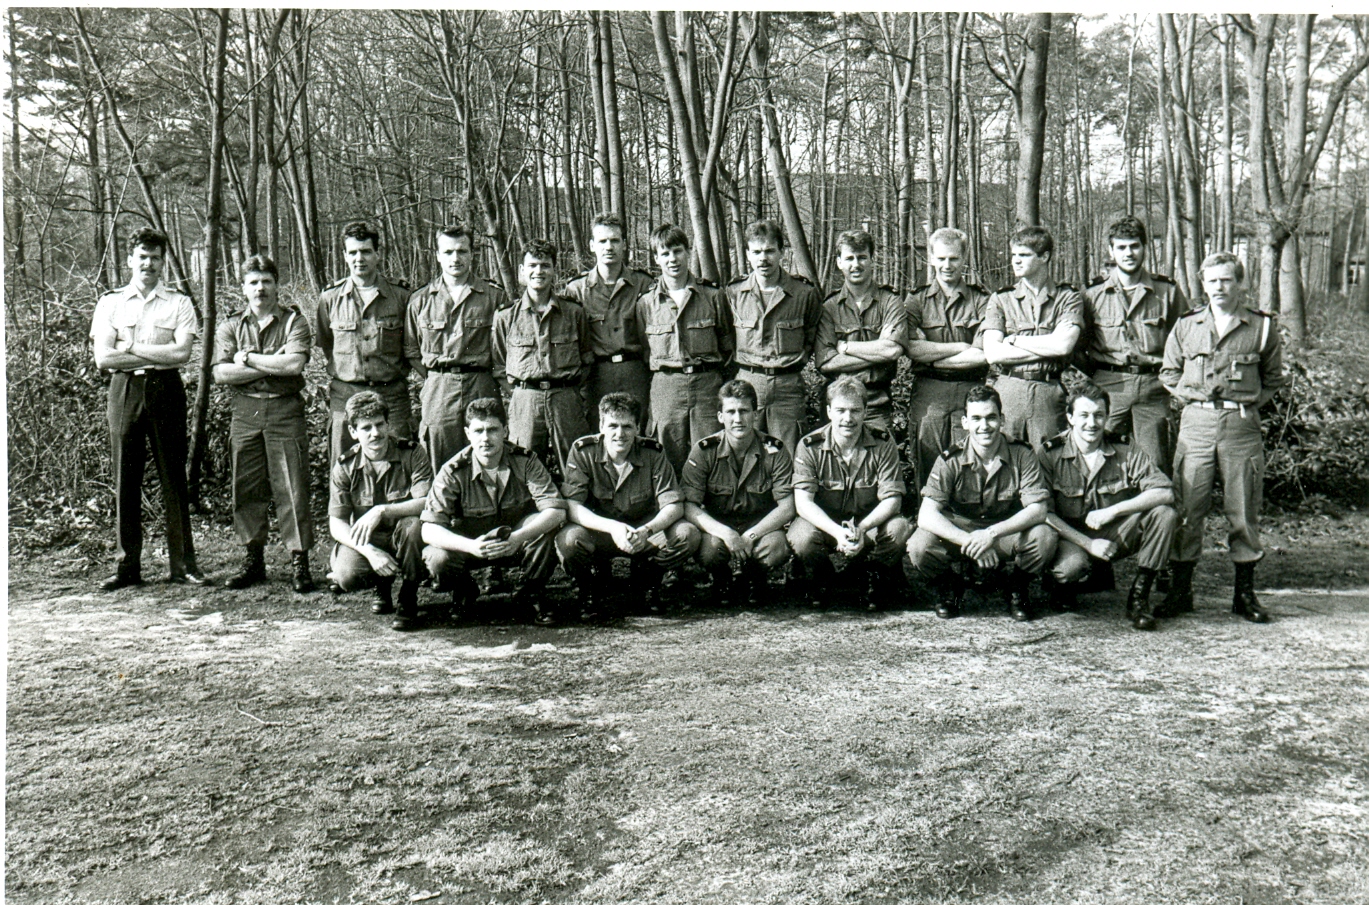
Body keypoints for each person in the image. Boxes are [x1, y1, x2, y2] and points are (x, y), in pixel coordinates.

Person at [1159, 252, 1285, 623]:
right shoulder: (1186, 325)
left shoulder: (1261, 327)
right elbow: (1169, 373)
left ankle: (1243, 595)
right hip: (1196, 425)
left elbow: (1273, 379)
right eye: (1212, 280)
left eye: (1227, 280)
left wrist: (1242, 405)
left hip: (1241, 427)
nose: (1219, 287)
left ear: (1240, 283)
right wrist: (1196, 404)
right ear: (1203, 283)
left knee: (1243, 510)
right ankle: (1182, 591)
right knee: (1187, 508)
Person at [90, 227, 210, 590]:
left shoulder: (179, 302)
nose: (148, 263)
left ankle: (183, 565)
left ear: (163, 262)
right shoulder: (110, 302)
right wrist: (146, 353)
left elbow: (182, 354)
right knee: (126, 477)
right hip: (124, 390)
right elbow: (102, 358)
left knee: (173, 476)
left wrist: (131, 347)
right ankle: (127, 567)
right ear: (130, 260)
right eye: (142, 257)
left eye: (155, 258)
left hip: (166, 391)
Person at [907, 384, 1057, 621]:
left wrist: (991, 535)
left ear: (1002, 420)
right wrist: (971, 540)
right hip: (962, 532)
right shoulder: (950, 459)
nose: (984, 426)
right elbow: (926, 515)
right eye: (976, 418)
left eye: (991, 418)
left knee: (1044, 537)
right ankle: (949, 587)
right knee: (919, 546)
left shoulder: (1022, 454)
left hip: (1003, 532)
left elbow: (1038, 510)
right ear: (965, 422)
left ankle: (1017, 588)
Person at [212, 255, 315, 593]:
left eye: (266, 281)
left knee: (292, 486)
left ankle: (299, 561)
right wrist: (273, 362)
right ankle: (253, 559)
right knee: (246, 486)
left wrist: (247, 358)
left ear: (276, 284)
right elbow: (221, 372)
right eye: (253, 282)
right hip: (246, 413)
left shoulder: (294, 322)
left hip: (284, 411)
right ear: (243, 288)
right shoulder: (230, 325)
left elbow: (294, 366)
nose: (260, 288)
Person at [1038, 383, 1178, 630]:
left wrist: (1114, 511)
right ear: (1069, 418)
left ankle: (1138, 597)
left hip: (1112, 531)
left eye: (1099, 415)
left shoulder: (1124, 448)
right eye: (1083, 415)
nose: (1091, 423)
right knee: (1070, 569)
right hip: (1069, 538)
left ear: (1106, 417)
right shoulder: (1050, 453)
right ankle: (1062, 586)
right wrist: (1088, 544)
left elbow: (1164, 491)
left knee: (1163, 514)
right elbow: (1043, 513)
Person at [420, 397, 567, 626]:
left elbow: (556, 510)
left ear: (505, 430)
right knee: (437, 557)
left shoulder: (525, 461)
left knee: (543, 525)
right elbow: (428, 529)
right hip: (471, 543)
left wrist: (519, 537)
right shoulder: (452, 470)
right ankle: (464, 591)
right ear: (468, 433)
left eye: (492, 430)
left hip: (514, 541)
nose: (485, 438)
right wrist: (471, 546)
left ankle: (530, 590)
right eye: (478, 431)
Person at [555, 393, 700, 618]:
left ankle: (648, 582)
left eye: (627, 426)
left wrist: (647, 530)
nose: (619, 434)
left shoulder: (653, 453)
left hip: (642, 530)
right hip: (601, 532)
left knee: (686, 534)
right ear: (601, 425)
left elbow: (673, 505)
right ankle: (589, 588)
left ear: (637, 428)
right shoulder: (583, 451)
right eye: (612, 425)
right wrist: (612, 527)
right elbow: (573, 505)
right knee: (569, 540)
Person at [788, 375, 912, 609]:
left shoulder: (883, 443)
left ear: (865, 411)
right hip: (826, 525)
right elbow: (803, 503)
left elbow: (893, 500)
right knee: (801, 536)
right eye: (840, 410)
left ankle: (871, 575)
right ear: (829, 411)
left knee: (899, 528)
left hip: (868, 524)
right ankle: (822, 577)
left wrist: (862, 529)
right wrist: (837, 532)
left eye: (855, 410)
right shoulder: (809, 446)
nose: (848, 418)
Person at [1082, 216, 1189, 473]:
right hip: (1108, 388)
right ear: (1111, 250)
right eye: (1121, 247)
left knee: (1156, 464)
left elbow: (1185, 342)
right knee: (1099, 458)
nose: (1128, 253)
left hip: (1153, 389)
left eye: (1134, 246)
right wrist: (1098, 376)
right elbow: (1078, 347)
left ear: (1144, 248)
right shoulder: (1092, 294)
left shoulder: (1168, 292)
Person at [681, 380, 794, 606]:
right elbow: (688, 505)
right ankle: (721, 579)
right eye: (730, 412)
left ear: (755, 413)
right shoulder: (704, 451)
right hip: (720, 527)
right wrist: (726, 533)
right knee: (709, 551)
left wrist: (750, 536)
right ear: (720, 416)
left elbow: (787, 506)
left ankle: (755, 577)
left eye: (744, 411)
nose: (738, 419)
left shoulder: (774, 450)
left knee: (776, 548)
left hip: (761, 527)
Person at [328, 391, 432, 631]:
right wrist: (370, 552)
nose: (375, 433)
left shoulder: (412, 452)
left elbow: (426, 501)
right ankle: (381, 586)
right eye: (366, 428)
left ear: (388, 424)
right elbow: (337, 523)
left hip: (404, 536)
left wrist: (382, 510)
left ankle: (409, 595)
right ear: (353, 432)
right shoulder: (345, 466)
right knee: (346, 576)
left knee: (413, 525)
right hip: (371, 539)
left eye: (379, 425)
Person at [636, 223, 734, 473]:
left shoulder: (713, 295)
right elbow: (645, 350)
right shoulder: (646, 303)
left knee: (711, 449)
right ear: (656, 258)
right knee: (665, 451)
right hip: (666, 385)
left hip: (706, 384)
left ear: (688, 252)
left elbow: (727, 344)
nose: (672, 259)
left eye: (677, 251)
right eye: (665, 253)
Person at [405, 223, 502, 475]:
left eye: (462, 251)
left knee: (487, 453)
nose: (455, 258)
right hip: (439, 387)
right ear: (437, 255)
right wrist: (437, 378)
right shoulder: (420, 300)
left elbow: (503, 348)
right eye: (448, 252)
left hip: (481, 383)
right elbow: (412, 350)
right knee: (438, 457)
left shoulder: (494, 297)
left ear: (472, 253)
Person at [315, 221, 414, 464]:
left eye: (366, 251)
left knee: (399, 465)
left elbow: (411, 346)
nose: (360, 258)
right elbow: (328, 345)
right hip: (345, 395)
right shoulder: (330, 298)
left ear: (377, 254)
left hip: (391, 395)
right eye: (353, 252)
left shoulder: (401, 296)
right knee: (344, 467)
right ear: (344, 255)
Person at [492, 239, 594, 474]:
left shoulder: (574, 313)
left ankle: (577, 508)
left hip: (565, 398)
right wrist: (520, 392)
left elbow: (587, 359)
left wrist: (569, 391)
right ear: (522, 270)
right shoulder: (506, 317)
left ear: (554, 270)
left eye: (545, 265)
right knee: (522, 464)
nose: (539, 271)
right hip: (525, 401)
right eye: (533, 265)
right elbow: (498, 365)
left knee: (576, 464)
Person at [725, 218, 824, 456]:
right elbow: (725, 338)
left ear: (782, 252)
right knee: (743, 454)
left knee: (788, 455)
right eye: (756, 252)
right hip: (747, 383)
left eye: (770, 251)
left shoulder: (804, 294)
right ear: (747, 254)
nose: (763, 258)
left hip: (787, 387)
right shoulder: (734, 293)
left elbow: (811, 336)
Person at [904, 227, 992, 490]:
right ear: (930, 258)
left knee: (970, 463)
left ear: (964, 258)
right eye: (941, 258)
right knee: (928, 463)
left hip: (970, 390)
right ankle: (929, 525)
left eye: (953, 258)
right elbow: (911, 348)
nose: (947, 265)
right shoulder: (916, 300)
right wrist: (960, 345)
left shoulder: (981, 300)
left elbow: (982, 353)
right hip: (929, 394)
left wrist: (933, 355)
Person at [983, 226, 1084, 450]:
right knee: (1005, 459)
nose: (1016, 261)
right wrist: (1047, 344)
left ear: (1044, 256)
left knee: (1050, 460)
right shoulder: (1001, 299)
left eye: (1024, 255)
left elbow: (1063, 345)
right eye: (1014, 255)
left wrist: (1015, 341)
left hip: (1049, 392)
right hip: (1009, 390)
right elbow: (992, 353)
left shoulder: (1068, 297)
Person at [815, 229, 907, 433]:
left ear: (872, 260)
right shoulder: (829, 307)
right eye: (849, 258)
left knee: (877, 458)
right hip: (837, 403)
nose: (856, 265)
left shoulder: (890, 301)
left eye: (862, 257)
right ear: (839, 262)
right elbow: (825, 362)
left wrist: (846, 348)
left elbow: (892, 351)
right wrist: (878, 352)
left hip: (876, 403)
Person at [564, 212, 654, 416]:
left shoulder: (644, 284)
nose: (609, 247)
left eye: (614, 240)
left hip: (635, 372)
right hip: (596, 376)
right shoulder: (577, 289)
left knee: (636, 432)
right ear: (591, 245)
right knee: (598, 434)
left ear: (624, 244)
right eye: (602, 241)